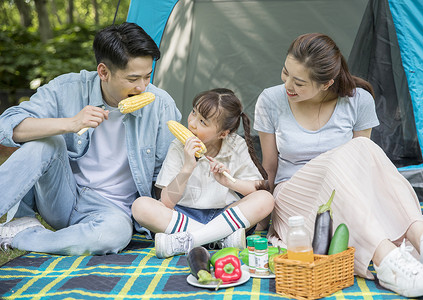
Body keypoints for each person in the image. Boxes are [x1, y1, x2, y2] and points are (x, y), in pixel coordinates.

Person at [253, 33, 423, 298]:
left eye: (298, 82)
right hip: (295, 196)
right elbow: (270, 167)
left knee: (365, 148)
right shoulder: (270, 100)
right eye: (285, 73)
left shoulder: (359, 101)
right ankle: (388, 261)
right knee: (343, 158)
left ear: (326, 84)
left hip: (341, 192)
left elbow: (365, 167)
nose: (287, 85)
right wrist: (263, 221)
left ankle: (422, 238)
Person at [0, 22, 181, 255]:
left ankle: (23, 236)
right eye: (133, 79)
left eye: (147, 76)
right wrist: (70, 123)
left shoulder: (160, 104)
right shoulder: (67, 89)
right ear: (103, 72)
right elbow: (6, 126)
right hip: (61, 195)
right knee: (48, 142)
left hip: (111, 211)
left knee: (117, 234)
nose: (143, 87)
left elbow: (163, 175)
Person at [131, 88, 274, 258]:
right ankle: (219, 239)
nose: (191, 123)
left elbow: (256, 189)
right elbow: (166, 203)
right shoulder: (178, 145)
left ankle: (187, 240)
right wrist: (187, 168)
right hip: (183, 215)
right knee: (140, 206)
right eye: (193, 112)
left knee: (266, 198)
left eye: (203, 122)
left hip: (225, 216)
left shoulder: (236, 145)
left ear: (223, 133)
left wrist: (230, 182)